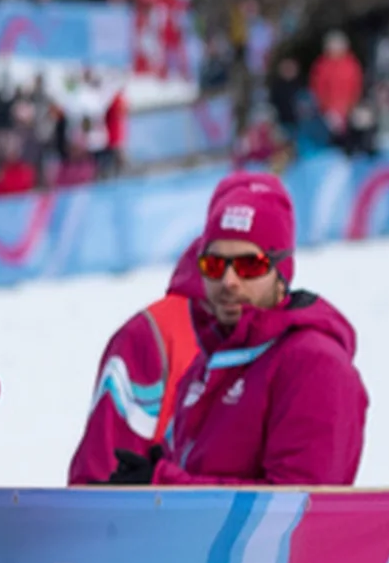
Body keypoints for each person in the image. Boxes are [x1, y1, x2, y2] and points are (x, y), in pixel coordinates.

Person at [108, 173, 365, 487]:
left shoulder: (315, 364)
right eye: (214, 265)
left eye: (249, 265)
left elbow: (298, 508)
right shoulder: (208, 364)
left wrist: (163, 484)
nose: (229, 281)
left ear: (281, 269)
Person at [67, 252, 206, 485]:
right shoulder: (152, 334)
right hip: (164, 519)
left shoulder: (286, 346)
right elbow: (103, 481)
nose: (231, 280)